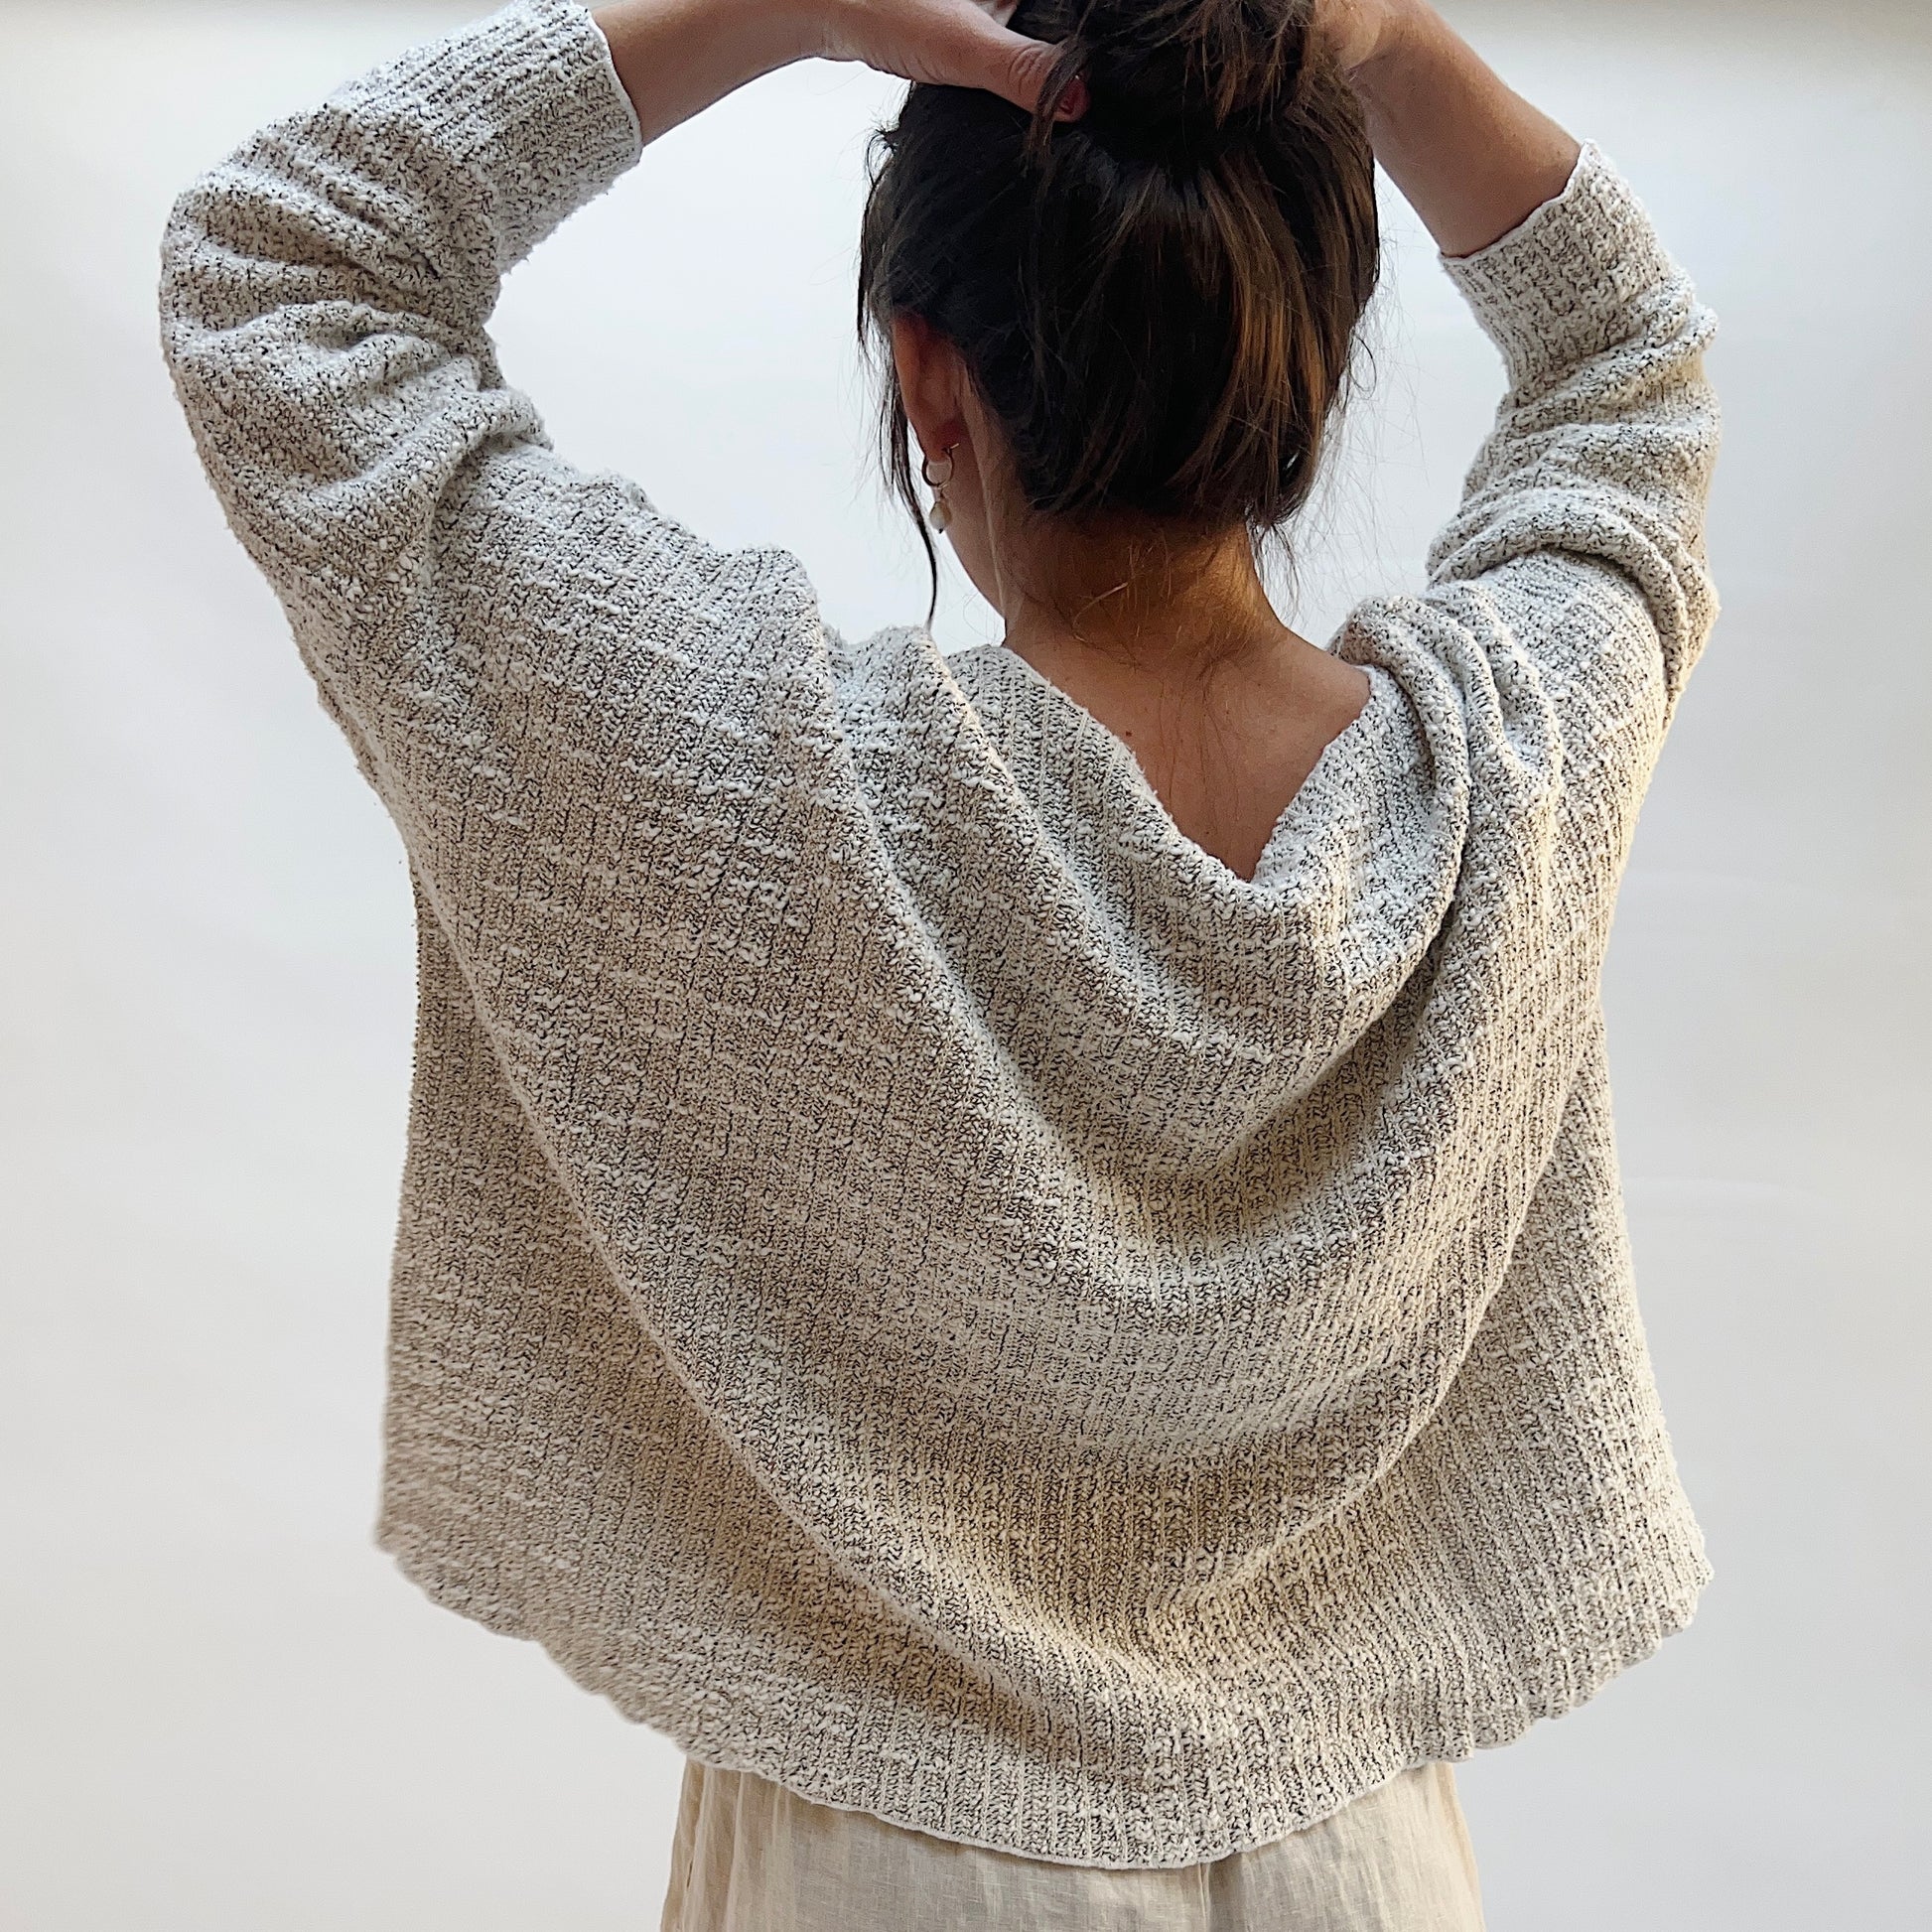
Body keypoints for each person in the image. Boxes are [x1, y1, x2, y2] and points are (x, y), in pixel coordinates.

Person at [157, 0, 1721, 1922]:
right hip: (1358, 1864)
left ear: (926, 381)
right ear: (1314, 356)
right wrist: (1385, 41)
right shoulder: (1507, 772)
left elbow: (279, 266)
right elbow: (1626, 355)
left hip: (875, 1859)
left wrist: (780, 11)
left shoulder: (745, 775)